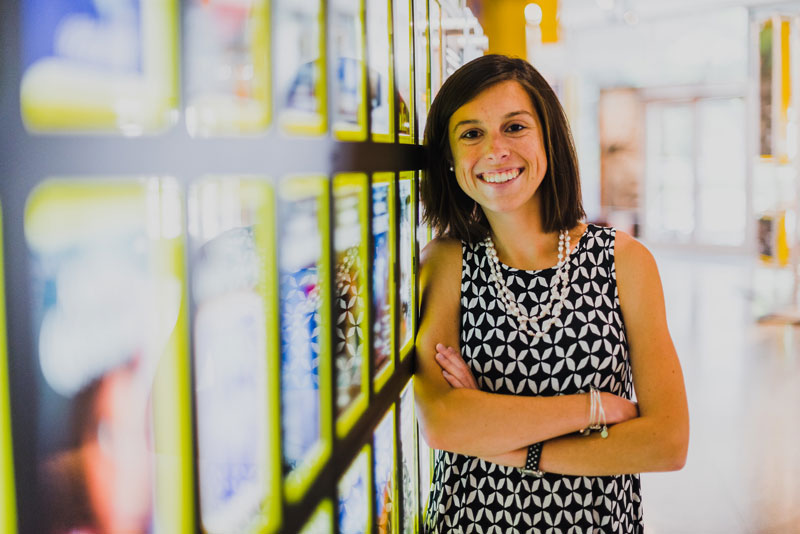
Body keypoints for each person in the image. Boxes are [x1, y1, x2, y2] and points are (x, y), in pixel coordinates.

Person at [414, 54, 689, 533]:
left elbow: (667, 442)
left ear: (548, 137)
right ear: (450, 157)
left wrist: (509, 445)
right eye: (471, 133)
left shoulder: (624, 261)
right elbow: (443, 423)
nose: (496, 150)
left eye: (514, 127)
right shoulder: (445, 262)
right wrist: (594, 408)